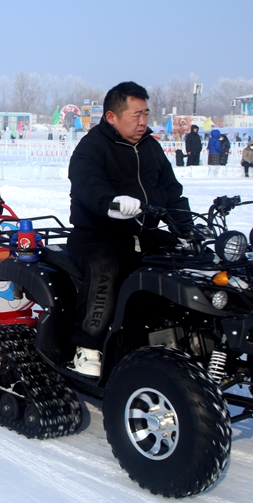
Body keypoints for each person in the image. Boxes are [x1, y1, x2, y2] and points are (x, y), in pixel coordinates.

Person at [67, 81, 191, 377]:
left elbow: (172, 191)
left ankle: (180, 336)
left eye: (146, 114)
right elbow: (86, 183)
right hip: (97, 234)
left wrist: (186, 231)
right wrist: (110, 202)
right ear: (112, 116)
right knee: (104, 266)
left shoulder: (151, 146)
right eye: (136, 115)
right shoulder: (92, 146)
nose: (143, 122)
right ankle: (87, 347)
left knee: (186, 259)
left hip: (143, 234)